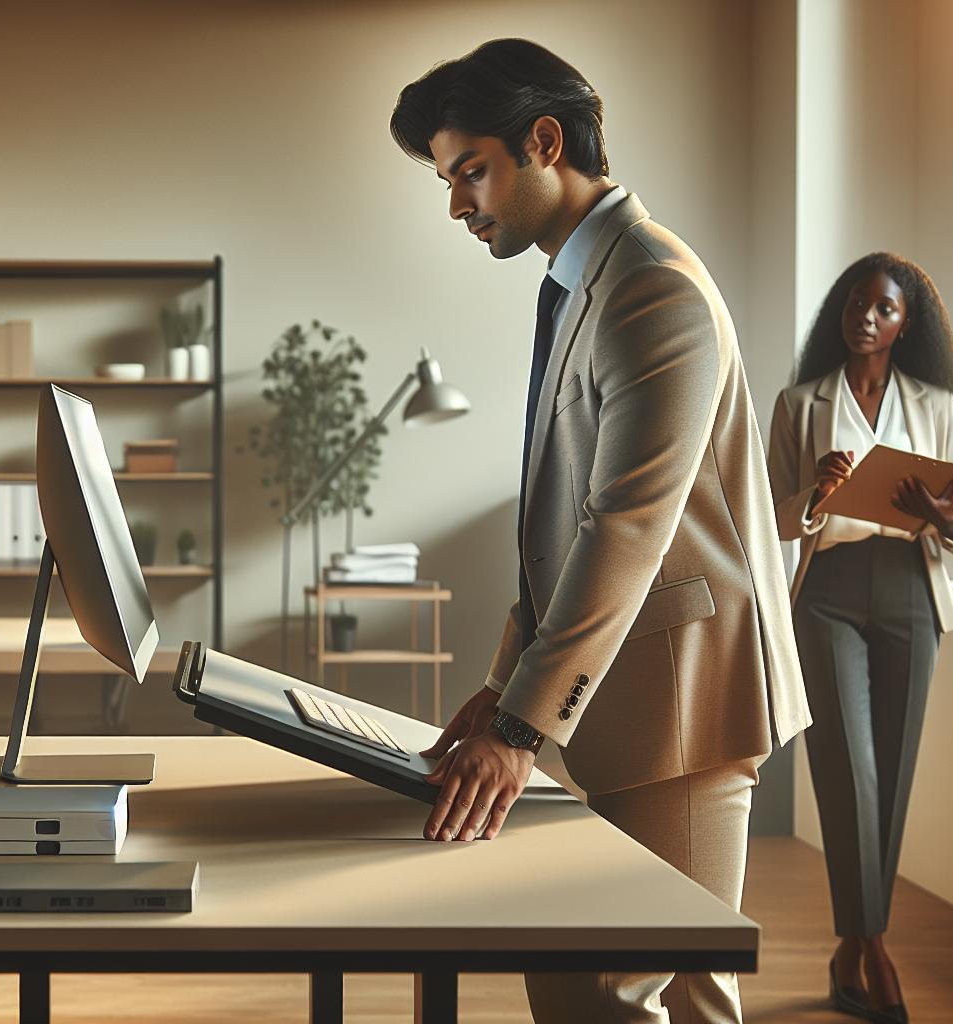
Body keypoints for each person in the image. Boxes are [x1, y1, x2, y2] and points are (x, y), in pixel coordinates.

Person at [391, 39, 810, 1024]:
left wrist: (521, 727)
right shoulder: (587, 282)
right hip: (637, 693)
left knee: (615, 992)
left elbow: (625, 525)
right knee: (651, 989)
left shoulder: (652, 286)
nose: (457, 205)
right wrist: (505, 687)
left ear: (545, 141)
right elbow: (559, 529)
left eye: (469, 171)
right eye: (448, 181)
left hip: (685, 702)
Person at [767, 252, 953, 1024]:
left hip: (910, 591)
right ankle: (873, 947)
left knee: (891, 775)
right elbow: (770, 517)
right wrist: (816, 496)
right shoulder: (800, 404)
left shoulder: (937, 404)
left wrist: (947, 518)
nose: (866, 317)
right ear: (841, 310)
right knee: (847, 770)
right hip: (826, 593)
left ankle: (853, 949)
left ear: (905, 322)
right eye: (856, 303)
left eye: (884, 308)